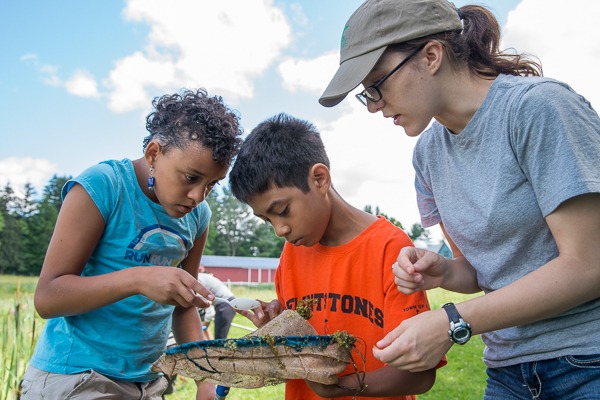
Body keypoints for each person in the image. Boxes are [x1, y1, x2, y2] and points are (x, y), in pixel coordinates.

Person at [319, 0, 600, 398]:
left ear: (431, 56)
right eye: (366, 94)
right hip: (508, 371)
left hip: (588, 363)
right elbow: (483, 272)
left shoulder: (538, 109)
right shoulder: (427, 155)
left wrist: (451, 321)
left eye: (377, 83)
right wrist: (447, 273)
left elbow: (589, 265)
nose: (374, 105)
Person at [20, 88, 243, 400]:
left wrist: (204, 376)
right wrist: (139, 279)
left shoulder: (198, 216)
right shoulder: (104, 185)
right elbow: (47, 297)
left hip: (147, 382)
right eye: (190, 178)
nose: (198, 196)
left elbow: (184, 306)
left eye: (211, 184)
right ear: (154, 153)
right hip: (77, 376)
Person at [229, 113, 444, 400]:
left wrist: (340, 386)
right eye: (266, 220)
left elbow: (419, 374)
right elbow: (301, 353)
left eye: (282, 211)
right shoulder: (291, 256)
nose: (280, 230)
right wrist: (278, 331)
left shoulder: (390, 248)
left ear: (320, 179)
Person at [198, 266, 236, 340]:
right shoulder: (205, 277)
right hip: (226, 304)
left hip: (225, 304)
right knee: (209, 332)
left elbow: (199, 301)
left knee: (219, 339)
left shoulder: (198, 278)